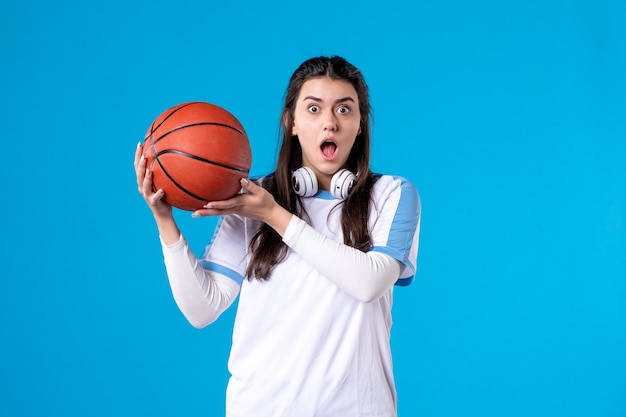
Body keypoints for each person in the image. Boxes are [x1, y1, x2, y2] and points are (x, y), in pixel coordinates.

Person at [134, 55, 421, 417]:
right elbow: (202, 309)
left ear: (360, 123)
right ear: (292, 122)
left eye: (344, 110)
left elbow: (369, 282)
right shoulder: (252, 197)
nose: (329, 123)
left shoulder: (392, 194)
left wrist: (274, 215)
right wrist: (165, 222)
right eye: (313, 109)